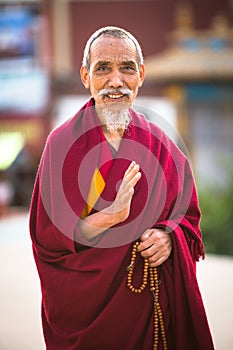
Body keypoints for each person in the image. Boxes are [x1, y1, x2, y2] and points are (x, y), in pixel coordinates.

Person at [29, 26, 214, 350]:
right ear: (86, 76)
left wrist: (168, 236)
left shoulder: (162, 146)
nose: (116, 81)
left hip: (149, 308)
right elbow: (49, 240)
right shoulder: (62, 144)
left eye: (126, 68)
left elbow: (187, 217)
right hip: (87, 312)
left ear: (140, 75)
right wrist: (109, 217)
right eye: (103, 68)